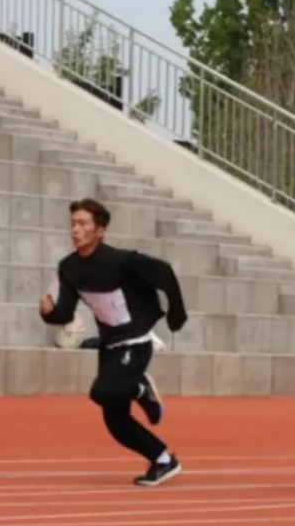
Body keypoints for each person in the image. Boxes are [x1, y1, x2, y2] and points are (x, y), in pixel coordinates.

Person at [40, 198, 188, 487]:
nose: (75, 229)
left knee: (101, 390)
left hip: (136, 341)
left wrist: (176, 314)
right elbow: (66, 313)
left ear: (100, 231)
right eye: (73, 223)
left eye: (83, 224)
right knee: (114, 420)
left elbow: (165, 273)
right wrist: (48, 313)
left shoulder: (121, 260)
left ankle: (140, 388)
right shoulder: (69, 267)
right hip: (109, 346)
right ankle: (162, 460)